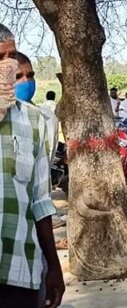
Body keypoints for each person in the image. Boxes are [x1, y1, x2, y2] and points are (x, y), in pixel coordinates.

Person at [0, 24, 65, 307]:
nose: (8, 67)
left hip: (19, 269)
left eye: (11, 56)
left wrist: (54, 266)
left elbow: (40, 200)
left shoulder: (36, 121)